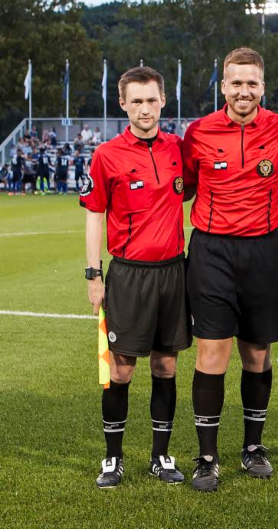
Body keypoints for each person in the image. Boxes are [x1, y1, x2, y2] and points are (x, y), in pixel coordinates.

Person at [181, 47, 278, 492]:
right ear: (224, 86)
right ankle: (207, 457)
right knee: (211, 353)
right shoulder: (198, 132)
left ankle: (253, 447)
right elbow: (181, 186)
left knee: (257, 353)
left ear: (263, 87)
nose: (244, 91)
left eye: (252, 83)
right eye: (236, 83)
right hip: (211, 252)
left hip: (264, 252)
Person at [80, 66, 191, 489]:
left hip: (173, 272)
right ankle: (113, 458)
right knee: (121, 371)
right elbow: (95, 215)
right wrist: (94, 275)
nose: (145, 109)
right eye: (137, 101)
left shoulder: (178, 148)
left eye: (151, 100)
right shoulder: (107, 154)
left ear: (163, 101)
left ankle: (161, 456)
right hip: (128, 274)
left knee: (165, 366)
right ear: (123, 104)